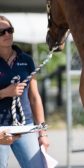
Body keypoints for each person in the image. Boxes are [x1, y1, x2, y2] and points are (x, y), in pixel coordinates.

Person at [0, 15, 49, 168]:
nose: (7, 34)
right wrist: (5, 92)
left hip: (24, 126)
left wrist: (42, 133)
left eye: (10, 30)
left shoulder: (26, 60)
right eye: (1, 32)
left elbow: (34, 98)